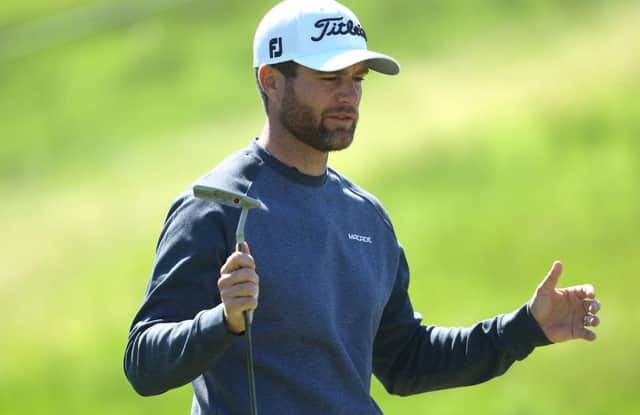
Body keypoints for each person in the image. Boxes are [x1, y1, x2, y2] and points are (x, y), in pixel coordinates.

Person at [124, 1, 601, 414]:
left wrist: (524, 328)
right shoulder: (215, 207)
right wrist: (222, 320)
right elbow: (143, 363)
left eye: (357, 79)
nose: (349, 95)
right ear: (272, 81)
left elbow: (406, 361)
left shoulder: (366, 217)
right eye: (329, 77)